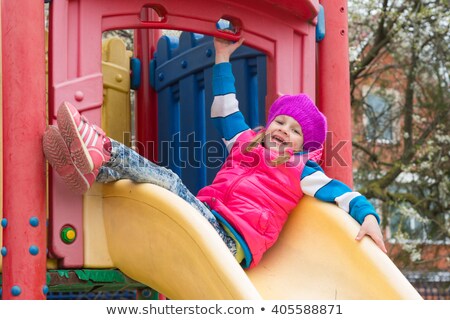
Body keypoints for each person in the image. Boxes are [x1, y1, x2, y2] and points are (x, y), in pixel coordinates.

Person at [43, 37, 387, 269]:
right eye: (280, 121)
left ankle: (101, 149)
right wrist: (223, 57)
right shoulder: (245, 143)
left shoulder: (302, 171)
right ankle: (92, 167)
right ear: (267, 126)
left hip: (231, 240)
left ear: (303, 146)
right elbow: (225, 108)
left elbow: (346, 195)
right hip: (207, 221)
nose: (284, 130)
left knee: (172, 182)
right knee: (158, 191)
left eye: (295, 131)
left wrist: (370, 217)